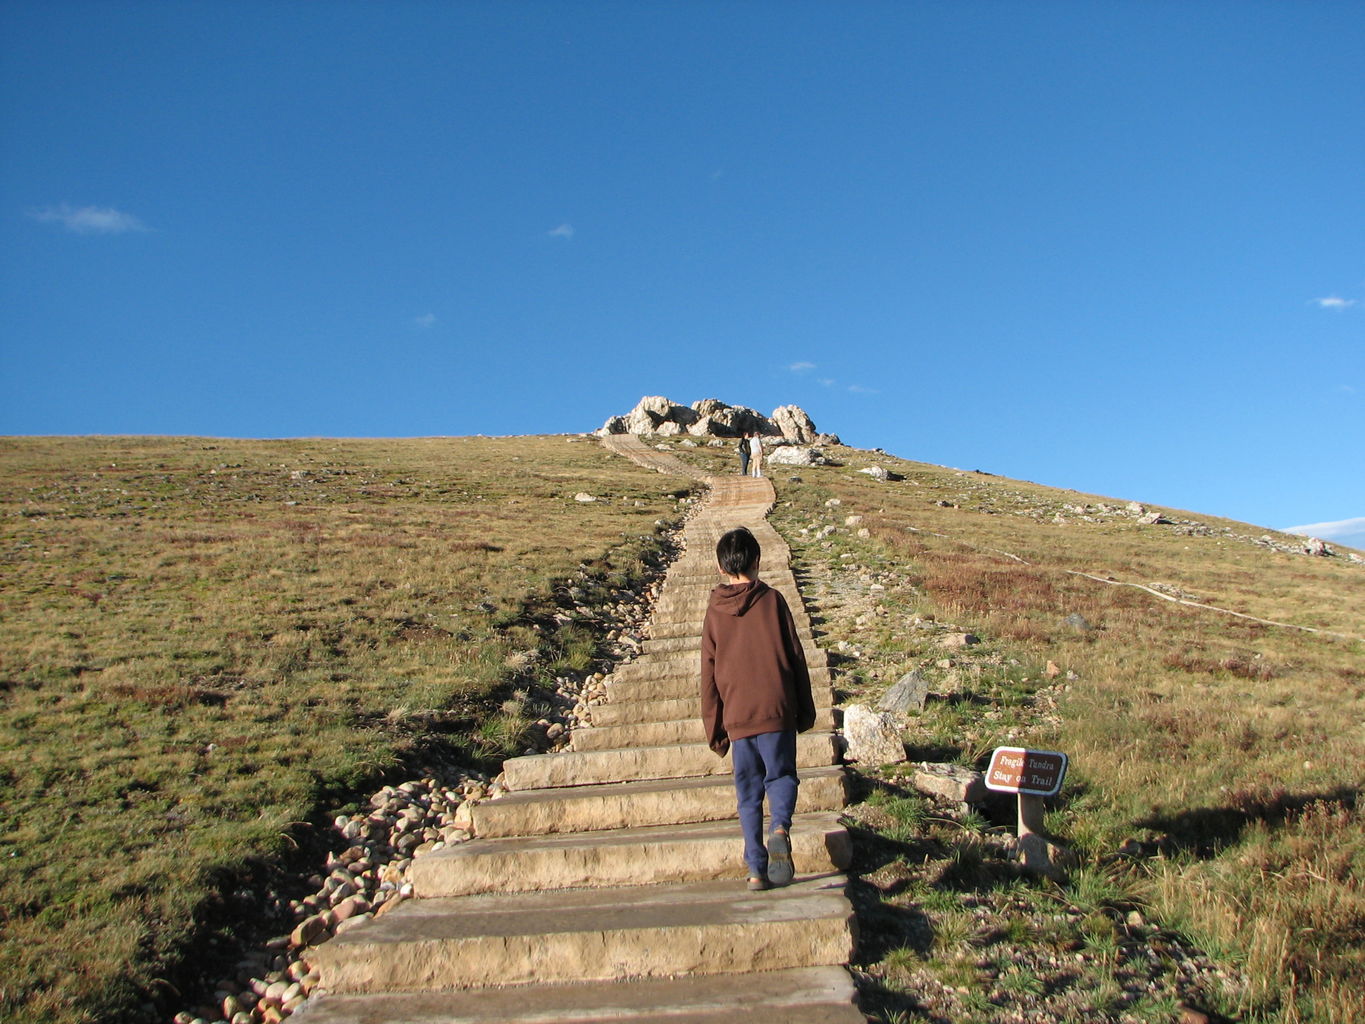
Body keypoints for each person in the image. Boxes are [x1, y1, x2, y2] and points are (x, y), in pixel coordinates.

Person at [699, 526, 816, 890]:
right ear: (758, 561)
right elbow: (795, 655)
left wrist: (714, 729)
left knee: (747, 795)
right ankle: (780, 826)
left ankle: (755, 871)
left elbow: (708, 671)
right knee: (781, 776)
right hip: (777, 707)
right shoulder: (774, 600)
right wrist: (804, 709)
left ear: (721, 568)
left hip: (737, 715)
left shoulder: (714, 612)